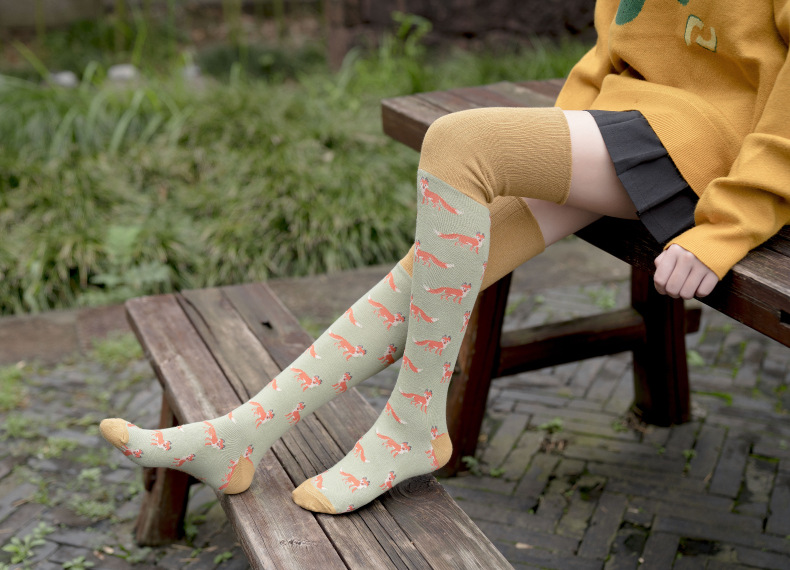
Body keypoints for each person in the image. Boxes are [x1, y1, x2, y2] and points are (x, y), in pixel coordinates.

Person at [100, 0, 790, 514]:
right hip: (633, 122)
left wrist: (727, 226)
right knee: (437, 268)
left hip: (717, 141)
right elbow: (619, 38)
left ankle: (411, 424)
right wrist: (557, 138)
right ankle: (239, 436)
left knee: (460, 144)